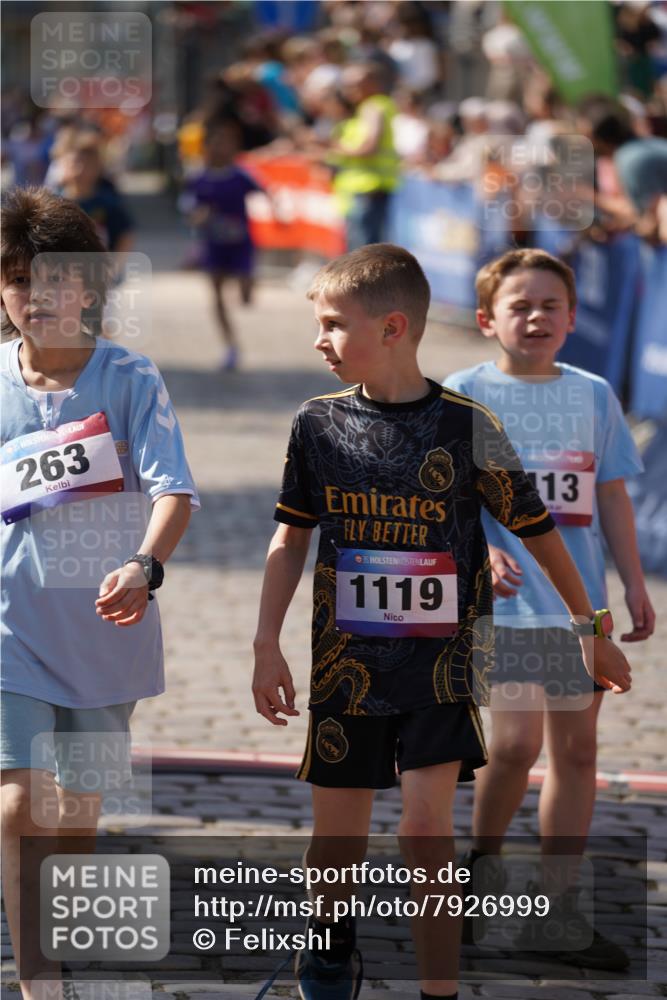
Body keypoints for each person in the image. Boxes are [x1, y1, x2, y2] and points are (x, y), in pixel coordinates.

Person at [252, 243, 632, 1000]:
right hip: (344, 670)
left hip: (440, 671)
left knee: (426, 832)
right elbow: (291, 534)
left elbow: (535, 528)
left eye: (332, 324)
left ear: (392, 327)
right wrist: (266, 642)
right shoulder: (316, 424)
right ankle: (327, 953)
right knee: (336, 841)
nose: (319, 341)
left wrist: (590, 627)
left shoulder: (466, 424)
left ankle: (438, 989)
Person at [0, 187, 199, 999]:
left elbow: (174, 490)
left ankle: (53, 939)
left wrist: (145, 567)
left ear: (88, 286)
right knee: (19, 808)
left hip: (103, 633)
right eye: (18, 281)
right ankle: (39, 980)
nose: (37, 297)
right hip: (9, 630)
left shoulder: (130, 378)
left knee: (74, 813)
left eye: (56, 280)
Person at [444, 248, 654, 970]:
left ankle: (559, 908)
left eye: (549, 305)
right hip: (506, 604)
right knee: (511, 748)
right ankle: (482, 867)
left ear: (570, 317)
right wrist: (478, 549)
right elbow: (444, 498)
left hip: (578, 609)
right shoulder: (464, 393)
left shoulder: (593, 393)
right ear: (485, 320)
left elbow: (613, 494)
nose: (535, 317)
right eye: (519, 306)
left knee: (576, 751)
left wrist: (631, 583)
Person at [179, 117, 265, 371]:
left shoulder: (241, 176)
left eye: (226, 144)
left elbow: (265, 194)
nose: (221, 149)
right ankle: (230, 345)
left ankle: (247, 285)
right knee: (216, 294)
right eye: (216, 144)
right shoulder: (198, 177)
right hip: (213, 245)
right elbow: (187, 208)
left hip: (241, 244)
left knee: (246, 297)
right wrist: (198, 216)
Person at [326, 63, 400, 249]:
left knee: (363, 253)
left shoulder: (373, 106)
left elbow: (369, 147)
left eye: (355, 84)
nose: (350, 90)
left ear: (372, 83)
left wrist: (337, 150)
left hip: (369, 187)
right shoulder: (369, 108)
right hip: (363, 187)